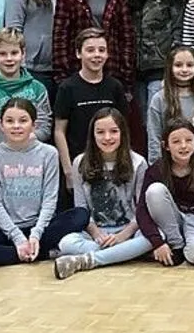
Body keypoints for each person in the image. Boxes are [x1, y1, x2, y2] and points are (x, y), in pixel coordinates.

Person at [0, 98, 89, 268]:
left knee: (80, 215)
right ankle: (37, 253)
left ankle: (29, 249)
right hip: (6, 231)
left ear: (33, 125)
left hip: (41, 227)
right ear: (1, 125)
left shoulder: (49, 153)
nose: (16, 126)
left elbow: (50, 200)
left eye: (23, 120)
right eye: (10, 121)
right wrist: (18, 238)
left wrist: (35, 234)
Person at [53, 108, 152, 279]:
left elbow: (141, 209)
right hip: (95, 232)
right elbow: (81, 208)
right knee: (66, 243)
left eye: (113, 131)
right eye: (100, 132)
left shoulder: (138, 163)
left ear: (122, 133)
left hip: (128, 230)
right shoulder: (80, 162)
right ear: (93, 135)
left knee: (155, 237)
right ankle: (122, 254)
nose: (107, 137)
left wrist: (123, 236)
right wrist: (96, 233)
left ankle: (90, 260)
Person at [135, 120, 194, 267]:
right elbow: (142, 211)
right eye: (176, 142)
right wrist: (157, 242)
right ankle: (176, 245)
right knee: (155, 190)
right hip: (170, 220)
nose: (184, 146)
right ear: (166, 146)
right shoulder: (156, 170)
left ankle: (184, 245)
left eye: (189, 140)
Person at [127, 0, 191, 122]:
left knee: (156, 120)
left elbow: (179, 31)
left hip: (162, 69)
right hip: (137, 71)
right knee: (146, 122)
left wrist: (172, 71)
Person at [53, 29, 127, 193]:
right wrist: (68, 171)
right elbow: (59, 131)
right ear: (78, 53)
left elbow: (123, 128)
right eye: (90, 50)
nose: (97, 55)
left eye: (101, 50)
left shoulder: (115, 87)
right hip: (78, 164)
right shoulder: (67, 88)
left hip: (110, 165)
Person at [0, 28, 53, 164]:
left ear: (23, 54)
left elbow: (44, 125)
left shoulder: (37, 88)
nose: (9, 59)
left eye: (14, 53)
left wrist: (20, 146)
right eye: (2, 54)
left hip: (31, 163)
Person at [146, 46, 194, 164]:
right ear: (170, 68)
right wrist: (156, 165)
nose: (184, 70)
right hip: (169, 164)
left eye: (190, 65)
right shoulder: (159, 99)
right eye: (178, 65)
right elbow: (154, 137)